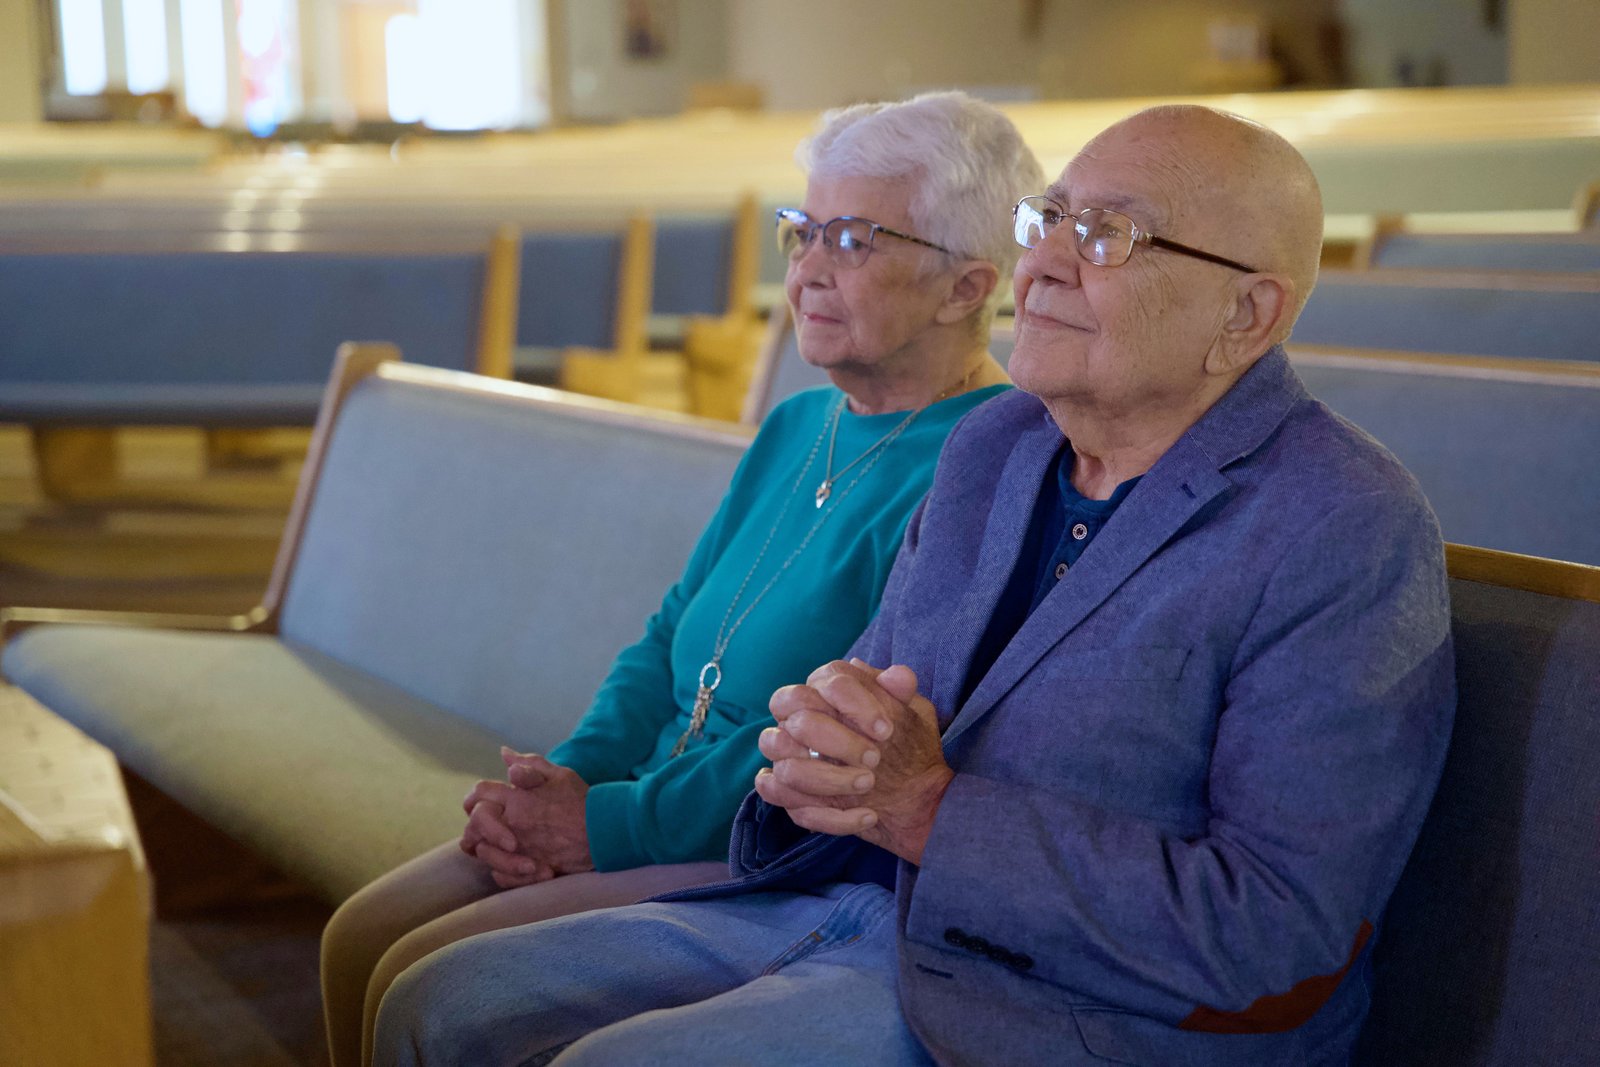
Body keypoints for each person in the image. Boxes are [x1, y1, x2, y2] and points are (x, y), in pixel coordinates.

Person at [372, 105, 1456, 1067]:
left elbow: (1273, 928)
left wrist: (926, 808)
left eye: (1107, 235)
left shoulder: (1341, 524)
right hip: (858, 903)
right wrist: (813, 747)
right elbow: (853, 718)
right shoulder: (999, 446)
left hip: (1081, 1008)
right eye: (1049, 219)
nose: (1041, 264)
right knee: (445, 1002)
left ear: (1247, 313)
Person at [320, 90, 1042, 1067]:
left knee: (428, 982)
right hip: (640, 794)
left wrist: (601, 824)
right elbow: (671, 631)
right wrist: (571, 773)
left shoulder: (984, 465)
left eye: (851, 241)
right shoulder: (798, 422)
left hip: (765, 845)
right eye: (802, 232)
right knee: (358, 935)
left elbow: (835, 737)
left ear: (966, 287)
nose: (805, 271)